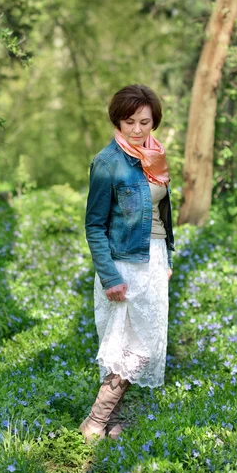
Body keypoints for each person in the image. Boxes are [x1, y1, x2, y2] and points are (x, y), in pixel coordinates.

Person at [79, 84, 175, 443]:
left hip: (152, 259)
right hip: (123, 264)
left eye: (145, 122)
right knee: (130, 345)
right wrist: (110, 277)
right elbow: (94, 225)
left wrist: (166, 255)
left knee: (144, 342)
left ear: (154, 122)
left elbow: (163, 213)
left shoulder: (156, 157)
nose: (137, 129)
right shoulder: (108, 162)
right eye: (129, 121)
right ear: (118, 121)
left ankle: (109, 422)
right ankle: (94, 422)